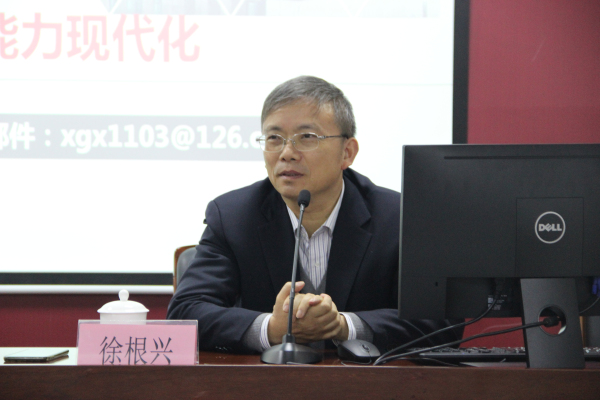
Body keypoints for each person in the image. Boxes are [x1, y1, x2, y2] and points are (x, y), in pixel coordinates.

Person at [167, 76, 461, 353]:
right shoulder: (233, 216)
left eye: (306, 137)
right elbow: (185, 313)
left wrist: (344, 326)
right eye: (274, 138)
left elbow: (442, 321)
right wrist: (271, 329)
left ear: (347, 152)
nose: (287, 153)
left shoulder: (399, 218)